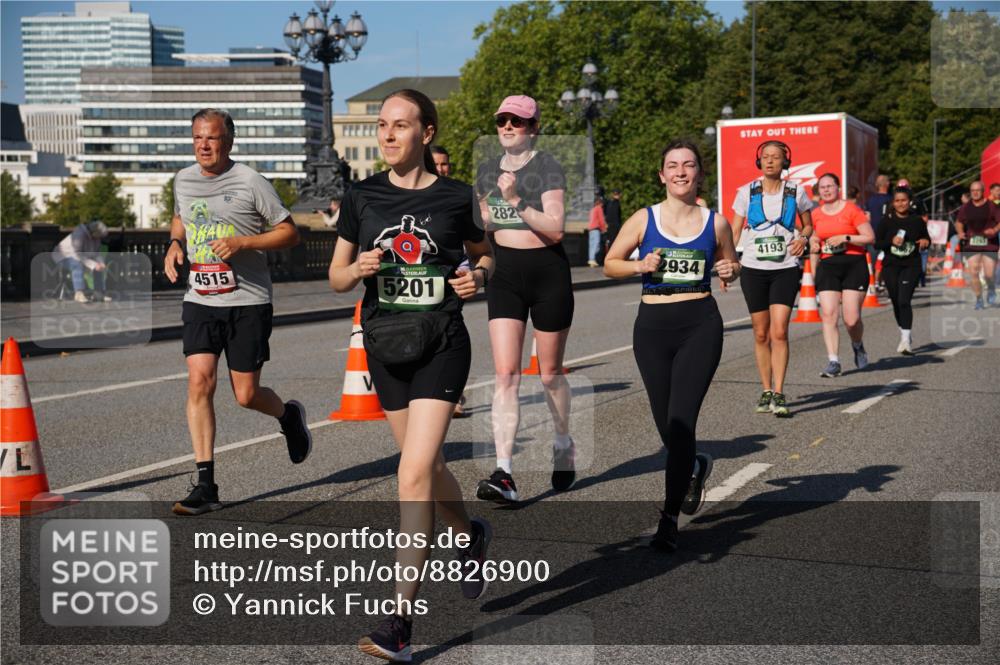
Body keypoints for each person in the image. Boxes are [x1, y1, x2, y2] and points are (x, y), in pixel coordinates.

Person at [328, 89, 495, 661]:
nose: (388, 134)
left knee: (412, 474)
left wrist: (479, 277)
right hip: (386, 347)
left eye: (400, 125)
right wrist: (358, 267)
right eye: (382, 125)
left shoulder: (455, 196)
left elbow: (485, 253)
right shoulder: (362, 195)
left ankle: (399, 620)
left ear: (427, 133)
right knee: (430, 468)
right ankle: (469, 535)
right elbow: (336, 278)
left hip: (442, 344)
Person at [163, 108, 312, 516]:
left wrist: (243, 243)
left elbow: (290, 233)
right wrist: (175, 243)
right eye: (197, 138)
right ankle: (206, 485)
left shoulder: (250, 181)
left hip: (247, 301)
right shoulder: (183, 179)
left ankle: (288, 416)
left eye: (211, 138)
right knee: (199, 382)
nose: (203, 145)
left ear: (228, 142)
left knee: (246, 395)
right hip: (201, 299)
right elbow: (180, 216)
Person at [603, 139, 739, 551]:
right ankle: (694, 465)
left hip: (700, 324)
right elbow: (610, 264)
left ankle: (668, 518)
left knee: (681, 423)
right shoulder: (643, 219)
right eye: (673, 165)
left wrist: (730, 268)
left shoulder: (716, 223)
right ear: (662, 175)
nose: (681, 172)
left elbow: (731, 262)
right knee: (666, 426)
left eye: (689, 165)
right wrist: (639, 265)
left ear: (699, 173)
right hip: (652, 328)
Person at [474, 95, 574, 503]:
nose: (508, 126)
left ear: (533, 128)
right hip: (505, 274)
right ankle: (504, 473)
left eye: (517, 121)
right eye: (502, 120)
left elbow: (556, 228)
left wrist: (515, 199)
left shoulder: (547, 165)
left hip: (548, 272)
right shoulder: (486, 169)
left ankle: (563, 442)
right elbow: (482, 221)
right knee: (506, 374)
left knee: (549, 374)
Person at [730, 140, 814, 417]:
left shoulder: (796, 191)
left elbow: (809, 224)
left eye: (775, 157)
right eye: (765, 156)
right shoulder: (746, 192)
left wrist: (802, 238)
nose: (769, 161)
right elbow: (733, 231)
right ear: (759, 161)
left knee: (779, 331)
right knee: (760, 332)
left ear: (784, 162)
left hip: (785, 268)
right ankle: (766, 389)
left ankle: (779, 391)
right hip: (753, 269)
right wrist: (729, 262)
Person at [810, 173, 876, 377]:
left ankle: (857, 345)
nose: (826, 190)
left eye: (830, 186)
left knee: (851, 319)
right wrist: (813, 246)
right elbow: (814, 238)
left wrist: (845, 237)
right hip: (828, 266)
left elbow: (870, 237)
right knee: (829, 314)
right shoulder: (815, 214)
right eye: (822, 187)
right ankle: (833, 361)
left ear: (838, 188)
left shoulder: (851, 210)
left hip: (853, 265)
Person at [874, 186, 930, 354]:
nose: (900, 204)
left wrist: (925, 242)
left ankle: (905, 340)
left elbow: (927, 239)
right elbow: (877, 244)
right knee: (896, 300)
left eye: (904, 200)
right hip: (891, 265)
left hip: (911, 265)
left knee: (904, 300)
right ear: (893, 203)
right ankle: (904, 333)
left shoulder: (917, 220)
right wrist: (891, 241)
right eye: (897, 201)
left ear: (909, 201)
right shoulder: (886, 221)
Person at [955, 180, 1000, 308]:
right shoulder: (966, 207)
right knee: (974, 273)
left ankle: (991, 288)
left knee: (989, 274)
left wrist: (994, 230)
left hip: (989, 243)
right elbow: (959, 222)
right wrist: (960, 232)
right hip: (972, 243)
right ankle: (979, 299)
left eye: (978, 190)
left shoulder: (992, 206)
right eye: (972, 191)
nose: (975, 193)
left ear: (983, 191)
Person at [53, 220, 111, 302]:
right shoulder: (79, 234)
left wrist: (101, 263)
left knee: (99, 267)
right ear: (94, 232)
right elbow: (77, 254)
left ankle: (98, 294)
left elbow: (97, 253)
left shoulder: (96, 237)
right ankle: (79, 293)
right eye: (99, 236)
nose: (100, 238)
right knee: (77, 264)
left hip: (80, 257)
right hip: (63, 257)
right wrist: (93, 265)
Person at [865, 174, 892, 291]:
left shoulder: (871, 200)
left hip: (873, 235)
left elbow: (867, 218)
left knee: (872, 261)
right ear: (887, 184)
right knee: (888, 261)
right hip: (888, 236)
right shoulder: (891, 199)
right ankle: (883, 283)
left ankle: (871, 285)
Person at [587, 193, 607, 266]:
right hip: (596, 228)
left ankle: (591, 259)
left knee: (591, 245)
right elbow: (601, 220)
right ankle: (592, 259)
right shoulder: (599, 208)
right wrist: (604, 229)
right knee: (596, 244)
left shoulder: (593, 209)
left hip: (590, 229)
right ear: (600, 202)